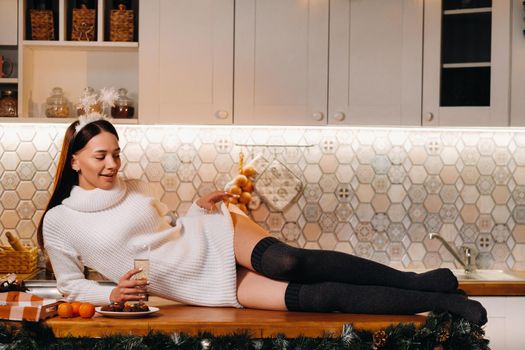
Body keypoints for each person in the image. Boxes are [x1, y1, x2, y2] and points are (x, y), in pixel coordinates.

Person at [37, 117, 487, 325]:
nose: (113, 163)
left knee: (290, 262)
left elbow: (165, 228)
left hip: (212, 237)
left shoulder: (130, 187)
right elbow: (71, 286)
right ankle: (441, 304)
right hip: (201, 284)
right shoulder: (60, 222)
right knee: (318, 297)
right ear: (75, 160)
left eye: (117, 153)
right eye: (101, 156)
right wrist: (109, 293)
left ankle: (419, 284)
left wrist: (197, 210)